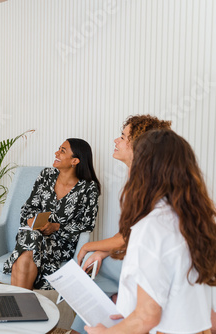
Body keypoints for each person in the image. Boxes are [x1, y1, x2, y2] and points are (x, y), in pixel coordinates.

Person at [85, 129, 216, 333]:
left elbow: (147, 317)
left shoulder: (152, 227)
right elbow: (194, 304)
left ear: (143, 170)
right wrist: (130, 311)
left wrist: (105, 332)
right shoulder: (196, 222)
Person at [71, 114, 171, 333]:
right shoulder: (138, 178)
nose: (116, 140)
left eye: (123, 136)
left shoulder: (148, 185)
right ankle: (102, 319)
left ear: (140, 145)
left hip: (156, 266)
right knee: (95, 266)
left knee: (93, 272)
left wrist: (90, 246)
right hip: (144, 256)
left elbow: (132, 235)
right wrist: (104, 252)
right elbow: (131, 233)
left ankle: (91, 327)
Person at [3, 138, 101, 290]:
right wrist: (31, 221)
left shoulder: (88, 188)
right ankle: (23, 306)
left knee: (26, 250)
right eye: (59, 148)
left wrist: (56, 227)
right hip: (33, 234)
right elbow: (29, 207)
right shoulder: (46, 175)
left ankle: (17, 304)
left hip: (60, 244)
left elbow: (87, 223)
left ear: (75, 160)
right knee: (31, 237)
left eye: (62, 151)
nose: (56, 153)